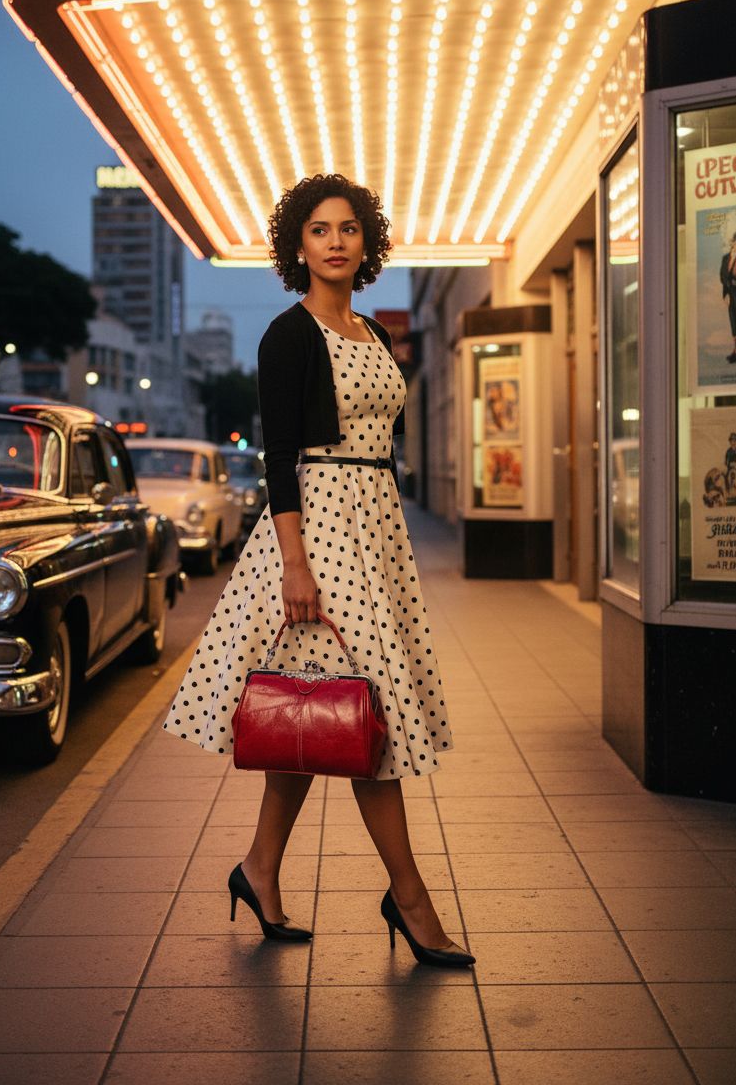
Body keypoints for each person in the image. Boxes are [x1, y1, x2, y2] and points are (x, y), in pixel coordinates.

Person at [163, 173, 473, 969]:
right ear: (296, 246)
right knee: (367, 717)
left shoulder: (374, 331)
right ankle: (409, 899)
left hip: (374, 525)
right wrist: (295, 566)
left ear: (365, 242)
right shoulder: (288, 334)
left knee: (320, 717)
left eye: (348, 228)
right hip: (319, 534)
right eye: (318, 230)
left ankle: (258, 870)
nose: (335, 241)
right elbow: (279, 461)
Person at [720, 231, 736, 364]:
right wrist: (726, 293)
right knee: (734, 321)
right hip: (731, 293)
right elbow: (723, 276)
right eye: (733, 242)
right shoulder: (726, 257)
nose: (733, 244)